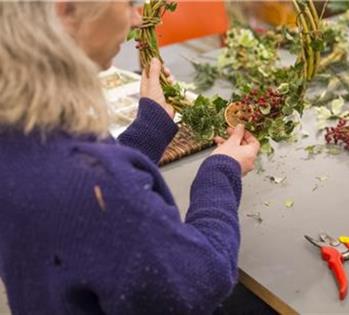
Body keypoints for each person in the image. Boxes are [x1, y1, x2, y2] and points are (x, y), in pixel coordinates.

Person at [0, 1, 260, 314]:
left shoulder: (23, 128)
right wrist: (221, 173)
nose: (138, 18)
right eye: (128, 4)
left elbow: (93, 207)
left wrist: (150, 126)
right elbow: (203, 277)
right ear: (63, 11)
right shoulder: (94, 183)